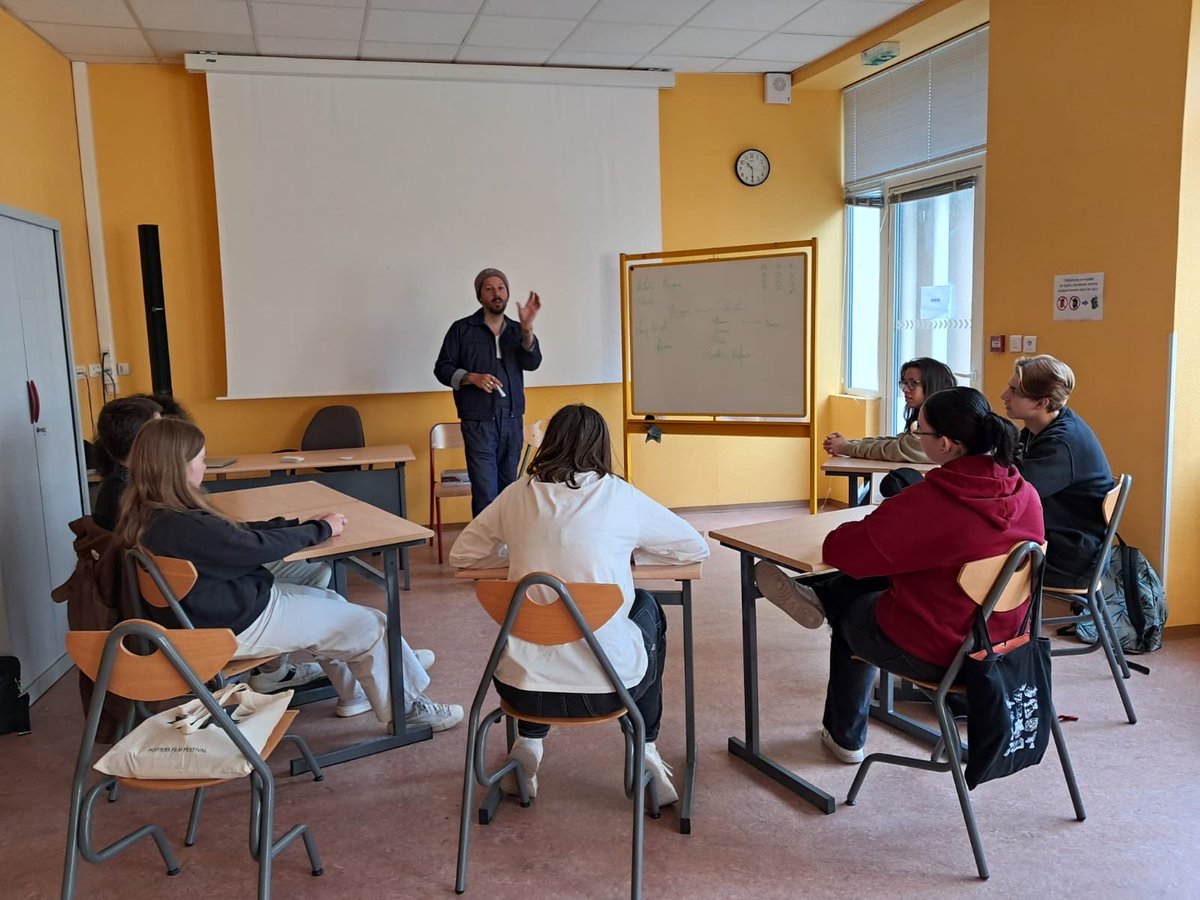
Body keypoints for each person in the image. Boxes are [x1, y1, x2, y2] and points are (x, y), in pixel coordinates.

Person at [115, 417, 463, 731]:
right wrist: (319, 530)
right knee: (373, 624)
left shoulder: (151, 514)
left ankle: (359, 689)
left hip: (220, 612)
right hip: (237, 623)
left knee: (331, 600)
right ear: (179, 467)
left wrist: (306, 525)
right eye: (201, 460)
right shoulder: (185, 524)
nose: (205, 466)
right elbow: (250, 547)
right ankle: (407, 709)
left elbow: (237, 535)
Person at [756, 387, 1044, 763]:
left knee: (851, 615)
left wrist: (883, 520)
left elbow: (839, 550)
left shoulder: (931, 502)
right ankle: (822, 596)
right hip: (1001, 642)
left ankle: (845, 737)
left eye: (918, 432)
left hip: (940, 649)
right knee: (887, 573)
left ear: (944, 444)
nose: (914, 437)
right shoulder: (1025, 492)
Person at [450, 404, 709, 803]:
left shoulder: (517, 493)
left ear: (549, 442)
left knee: (541, 616)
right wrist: (628, 554)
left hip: (521, 691)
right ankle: (646, 750)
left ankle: (528, 745)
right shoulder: (620, 496)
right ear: (602, 447)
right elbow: (694, 547)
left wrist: (520, 556)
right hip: (611, 689)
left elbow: (462, 556)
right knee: (646, 605)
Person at [434, 268, 543, 517]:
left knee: (509, 490)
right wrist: (471, 377)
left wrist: (528, 329)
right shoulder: (462, 329)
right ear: (480, 296)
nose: (496, 294)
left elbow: (532, 362)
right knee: (485, 490)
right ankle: (484, 551)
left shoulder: (518, 330)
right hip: (478, 421)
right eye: (489, 289)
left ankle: (507, 547)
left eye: (501, 288)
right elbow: (442, 369)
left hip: (512, 419)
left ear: (507, 294)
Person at [1001, 354, 1113, 589]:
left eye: (1014, 391)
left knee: (971, 555)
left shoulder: (1061, 443)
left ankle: (1000, 624)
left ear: (1041, 403)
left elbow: (1012, 494)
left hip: (1071, 557)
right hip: (1068, 540)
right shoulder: (1041, 428)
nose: (1004, 395)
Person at [823, 357, 957, 463]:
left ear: (932, 385)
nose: (905, 389)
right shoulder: (930, 418)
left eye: (912, 384)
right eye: (904, 383)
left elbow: (897, 449)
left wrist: (845, 447)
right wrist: (851, 443)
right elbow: (898, 441)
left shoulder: (940, 425)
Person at [92, 396, 162, 530]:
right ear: (142, 443)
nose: (166, 438)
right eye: (160, 432)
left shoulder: (123, 483)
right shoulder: (131, 498)